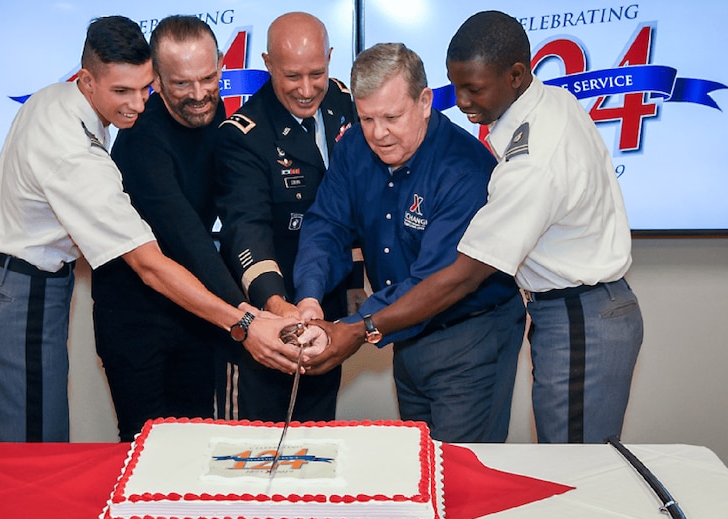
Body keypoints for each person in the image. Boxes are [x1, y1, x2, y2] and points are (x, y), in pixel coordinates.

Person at [308, 11, 644, 444]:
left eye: (475, 89)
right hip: (560, 309)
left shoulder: (526, 162)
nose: (463, 101)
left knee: (575, 463)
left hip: (577, 314)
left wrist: (359, 329)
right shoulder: (546, 103)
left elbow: (460, 276)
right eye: (458, 86)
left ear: (517, 75)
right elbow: (328, 221)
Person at [0, 15, 299, 443]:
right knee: (32, 449)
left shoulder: (56, 98)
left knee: (41, 439)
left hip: (35, 287)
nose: (138, 105)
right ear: (86, 80)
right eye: (122, 91)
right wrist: (245, 321)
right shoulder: (81, 153)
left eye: (143, 89)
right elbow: (151, 263)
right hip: (24, 292)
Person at [293, 43, 525, 443]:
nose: (379, 133)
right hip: (404, 332)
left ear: (424, 102)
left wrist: (352, 328)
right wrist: (310, 299)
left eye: (391, 117)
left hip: (469, 335)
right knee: (423, 464)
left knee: (459, 472)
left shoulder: (465, 169)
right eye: (366, 118)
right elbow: (326, 224)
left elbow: (433, 281)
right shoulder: (354, 148)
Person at [91, 16, 246, 441]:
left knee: (195, 445)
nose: (199, 95)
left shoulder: (217, 117)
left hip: (194, 313)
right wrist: (244, 315)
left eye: (208, 78)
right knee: (145, 449)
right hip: (136, 322)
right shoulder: (141, 137)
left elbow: (235, 210)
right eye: (181, 84)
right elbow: (187, 238)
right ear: (155, 81)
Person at [214, 12, 359, 422]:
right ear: (267, 63)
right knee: (251, 445)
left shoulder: (345, 104)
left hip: (326, 305)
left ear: (330, 58)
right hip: (265, 306)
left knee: (316, 434)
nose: (308, 89)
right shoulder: (244, 134)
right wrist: (276, 303)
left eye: (318, 73)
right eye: (293, 76)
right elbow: (246, 228)